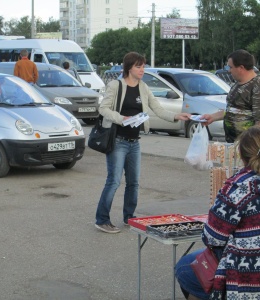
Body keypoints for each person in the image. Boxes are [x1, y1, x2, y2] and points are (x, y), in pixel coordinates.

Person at [94, 52, 191, 234]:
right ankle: (102, 219)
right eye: (139, 66)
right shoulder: (116, 85)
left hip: (134, 142)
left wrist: (177, 116)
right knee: (113, 181)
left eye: (143, 66)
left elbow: (158, 109)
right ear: (129, 67)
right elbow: (103, 108)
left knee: (134, 182)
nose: (142, 70)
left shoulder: (143, 87)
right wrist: (122, 118)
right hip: (118, 141)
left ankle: (129, 217)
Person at [175, 125, 260, 300]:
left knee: (185, 268)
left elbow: (213, 237)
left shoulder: (239, 186)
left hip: (248, 271)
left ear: (242, 156)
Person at [201, 49, 260, 143]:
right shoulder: (237, 84)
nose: (229, 71)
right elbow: (232, 110)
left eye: (230, 67)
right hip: (233, 144)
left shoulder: (257, 86)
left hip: (248, 148)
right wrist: (212, 117)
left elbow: (258, 123)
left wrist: (252, 147)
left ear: (241, 67)